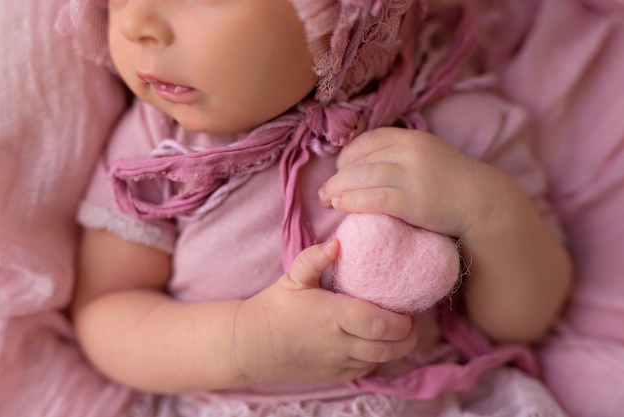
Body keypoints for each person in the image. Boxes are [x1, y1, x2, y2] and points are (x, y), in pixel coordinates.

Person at [71, 0, 573, 415]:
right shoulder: (162, 148)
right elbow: (106, 312)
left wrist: (484, 211)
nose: (136, 22)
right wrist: (247, 343)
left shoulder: (451, 123)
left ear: (345, 18)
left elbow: (524, 322)